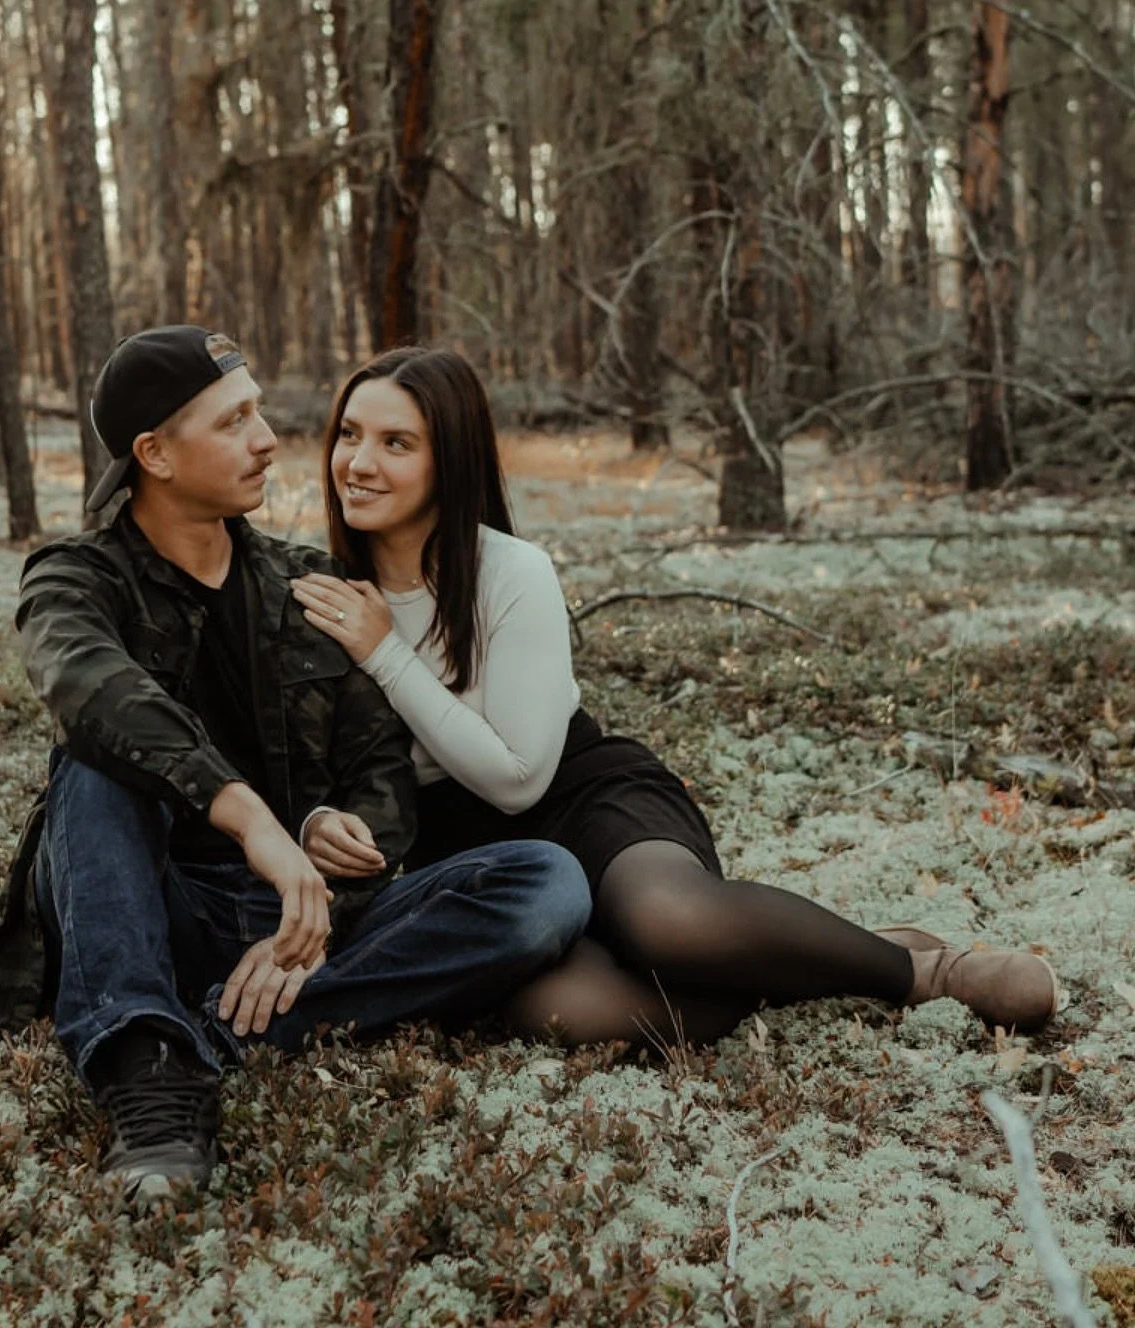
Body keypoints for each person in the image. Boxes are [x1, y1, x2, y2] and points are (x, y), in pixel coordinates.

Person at [0, 327, 591, 1206]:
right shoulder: (76, 580)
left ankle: (223, 1033)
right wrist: (253, 819)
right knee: (96, 766)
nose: (269, 440)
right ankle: (147, 1079)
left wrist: (338, 842)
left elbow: (380, 769)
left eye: (260, 412)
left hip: (304, 914)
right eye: (234, 422)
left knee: (546, 884)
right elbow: (89, 689)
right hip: (150, 901)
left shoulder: (307, 586)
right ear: (156, 454)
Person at [291, 347, 1059, 1053]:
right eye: (349, 435)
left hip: (581, 798)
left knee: (672, 923)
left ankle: (925, 972)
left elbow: (520, 775)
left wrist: (384, 651)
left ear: (449, 463)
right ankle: (778, 968)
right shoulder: (317, 592)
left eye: (397, 443)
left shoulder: (510, 573)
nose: (358, 463)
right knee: (560, 1013)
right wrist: (318, 821)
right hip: (470, 857)